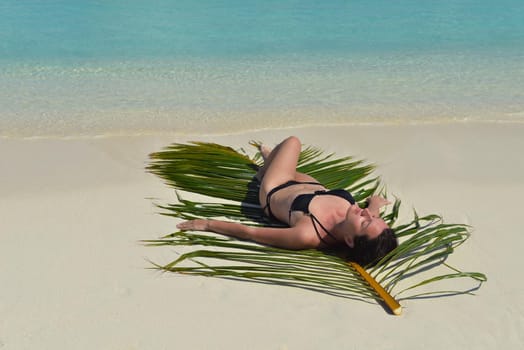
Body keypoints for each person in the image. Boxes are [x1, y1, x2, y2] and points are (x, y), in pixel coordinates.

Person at [177, 136, 398, 266]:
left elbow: (251, 233)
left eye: (366, 221)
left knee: (293, 142)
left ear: (349, 241)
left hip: (278, 187)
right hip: (310, 185)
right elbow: (374, 221)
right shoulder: (360, 220)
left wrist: (206, 224)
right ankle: (270, 160)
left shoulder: (308, 233)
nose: (367, 214)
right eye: (372, 216)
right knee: (282, 159)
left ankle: (264, 171)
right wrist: (376, 203)